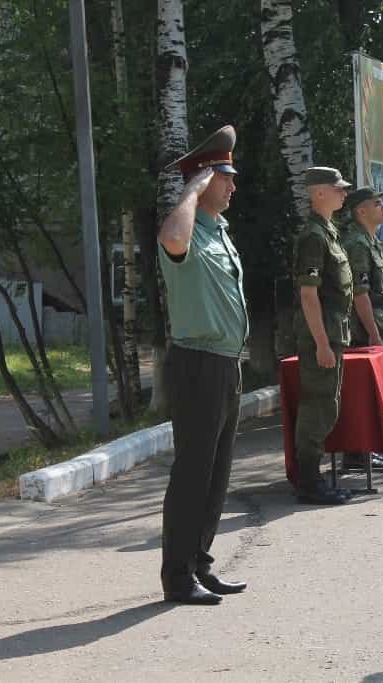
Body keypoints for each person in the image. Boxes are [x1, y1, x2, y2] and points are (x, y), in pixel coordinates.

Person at [157, 125, 249, 605]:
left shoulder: (220, 231)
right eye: (225, 176)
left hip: (226, 364)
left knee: (216, 475)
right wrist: (192, 186)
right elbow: (172, 239)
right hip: (197, 363)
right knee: (193, 472)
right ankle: (177, 577)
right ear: (204, 179)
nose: (233, 186)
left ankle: (200, 564)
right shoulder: (185, 226)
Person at [292, 166, 355, 506]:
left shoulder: (328, 231)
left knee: (327, 404)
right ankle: (309, 482)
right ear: (318, 193)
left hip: (333, 332)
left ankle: (313, 478)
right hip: (322, 336)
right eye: (338, 189)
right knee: (318, 405)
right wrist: (320, 343)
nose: (344, 193)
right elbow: (308, 294)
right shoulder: (314, 236)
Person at [343, 188, 383, 347]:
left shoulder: (373, 242)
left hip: (381, 322)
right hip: (365, 330)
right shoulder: (358, 244)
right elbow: (360, 293)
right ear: (362, 211)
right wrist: (374, 333)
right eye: (377, 204)